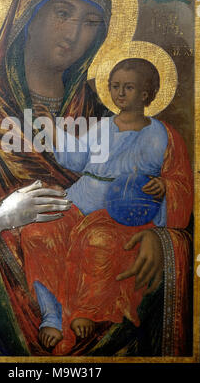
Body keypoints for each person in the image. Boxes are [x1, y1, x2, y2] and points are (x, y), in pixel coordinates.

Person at [0, 0, 192, 357]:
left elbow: (175, 203)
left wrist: (160, 239)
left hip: (106, 281)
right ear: (27, 17)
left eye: (91, 22)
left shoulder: (106, 118)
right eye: (62, 13)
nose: (74, 34)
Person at [20, 58, 193, 354]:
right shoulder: (102, 126)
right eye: (115, 87)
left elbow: (180, 180)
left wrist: (164, 187)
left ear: (147, 93)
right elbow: (75, 159)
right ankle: (52, 314)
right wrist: (49, 128)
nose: (120, 93)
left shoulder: (162, 134)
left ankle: (86, 309)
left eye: (129, 87)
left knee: (96, 241)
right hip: (81, 198)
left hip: (123, 213)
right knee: (37, 232)